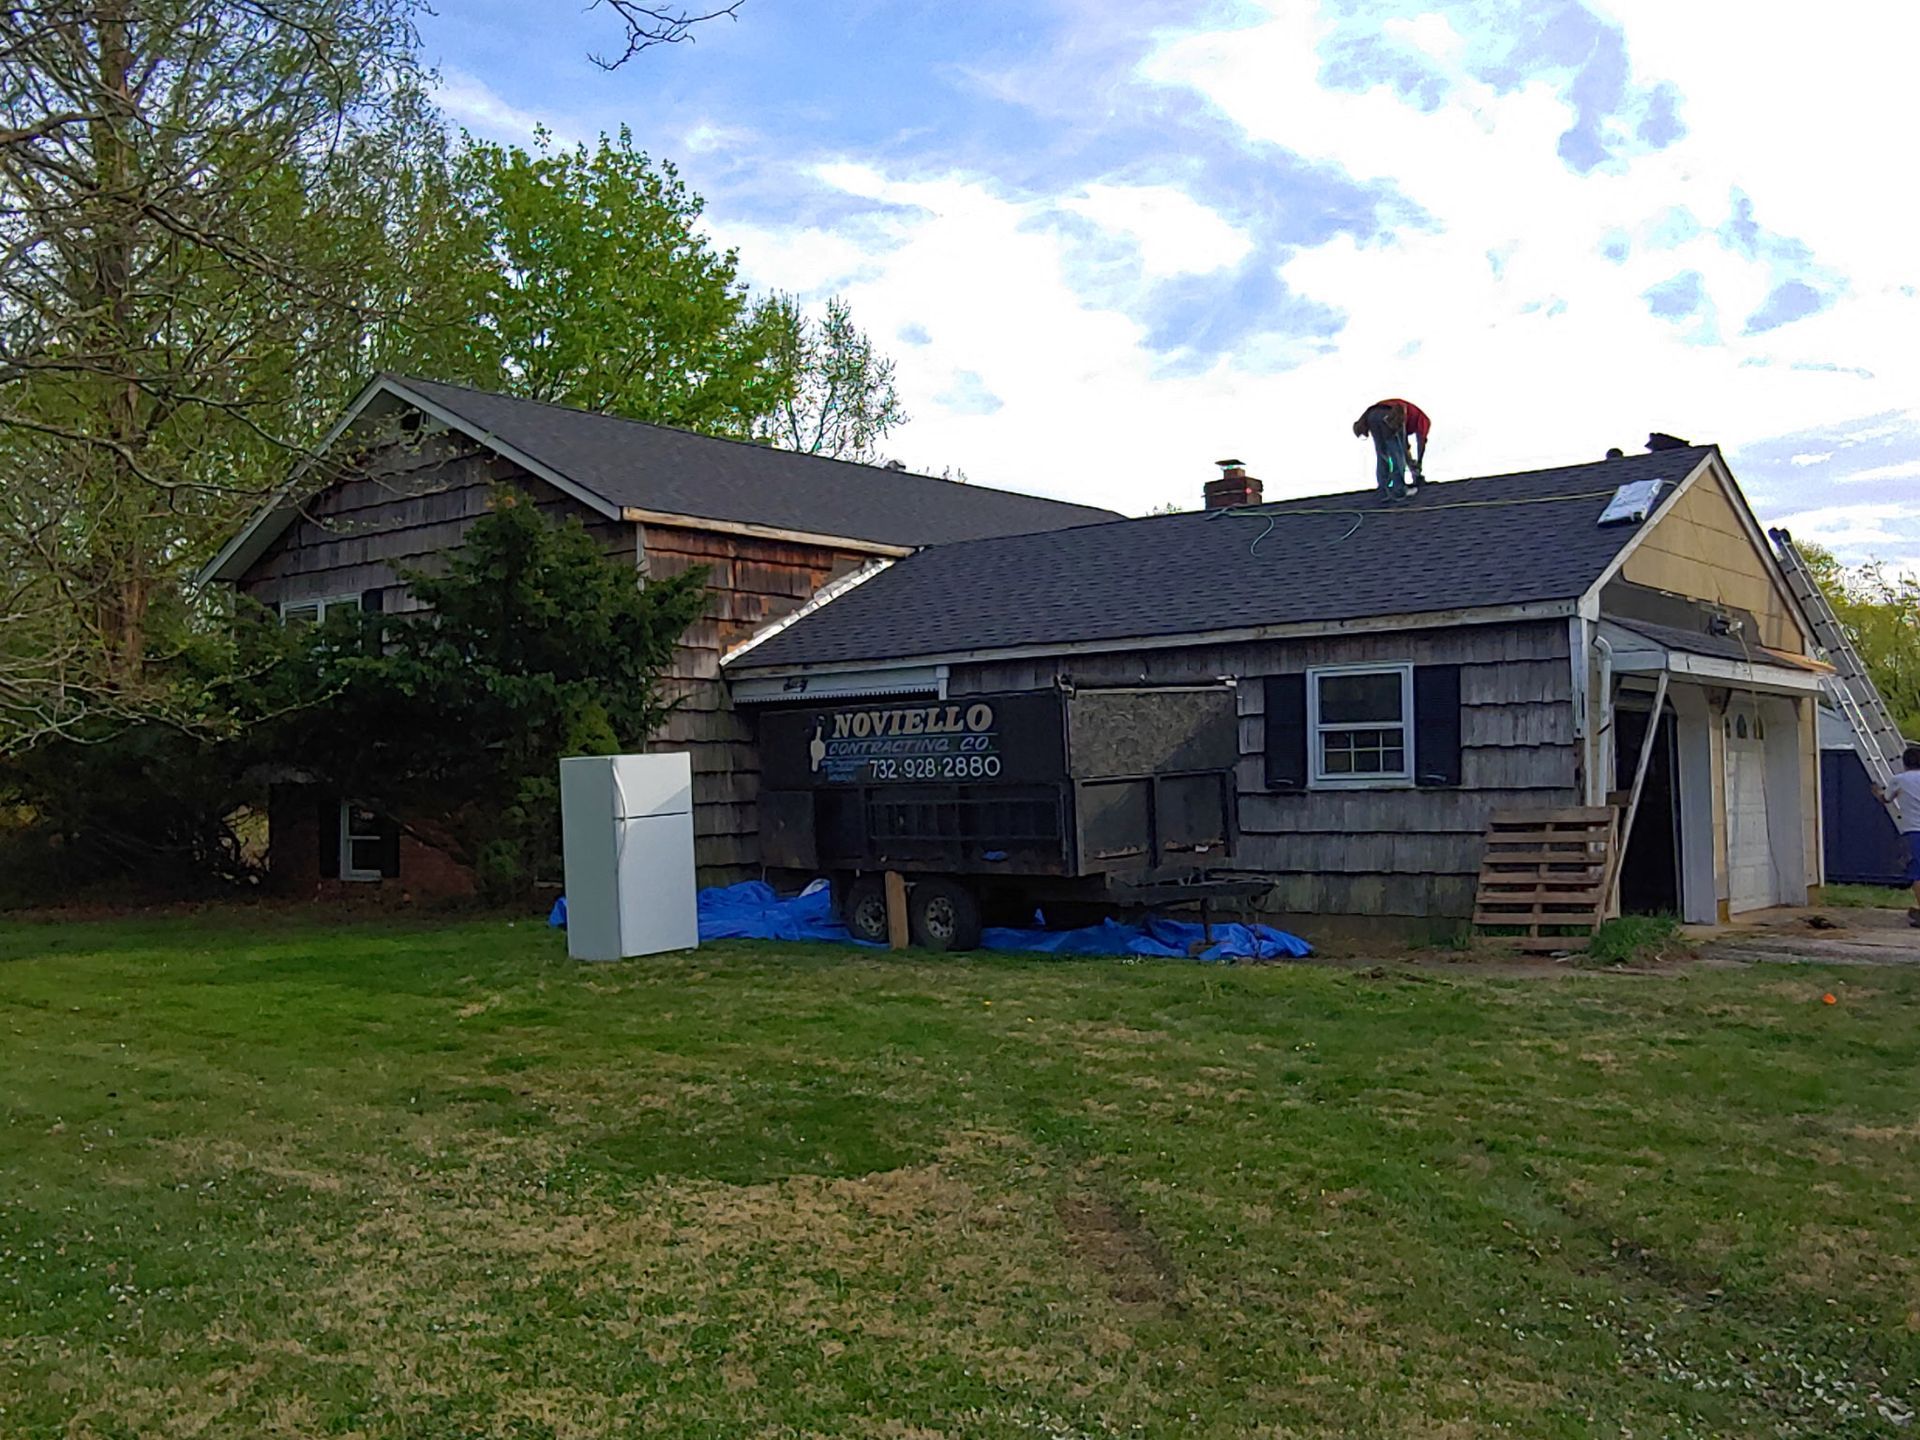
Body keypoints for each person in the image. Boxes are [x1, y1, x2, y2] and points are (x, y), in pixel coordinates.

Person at [1870, 744, 1920, 927]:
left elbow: (1886, 799)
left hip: (1914, 830)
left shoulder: (1899, 780)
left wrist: (1877, 792)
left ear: (1905, 763)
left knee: (1917, 873)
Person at [1352, 398, 1431, 500]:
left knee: (1382, 454)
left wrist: (1410, 462)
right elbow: (1421, 442)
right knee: (1397, 454)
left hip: (1372, 415)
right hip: (1391, 413)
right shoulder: (1424, 420)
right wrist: (1418, 463)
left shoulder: (1409, 420)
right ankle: (1400, 490)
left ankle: (1383, 490)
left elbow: (1405, 446)